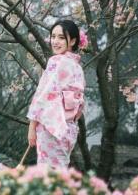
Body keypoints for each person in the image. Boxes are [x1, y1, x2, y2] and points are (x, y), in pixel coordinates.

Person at [26, 19, 87, 168]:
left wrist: (32, 127)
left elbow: (43, 95)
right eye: (53, 36)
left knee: (48, 175)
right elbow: (79, 105)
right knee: (59, 173)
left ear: (72, 41)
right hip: (69, 130)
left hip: (51, 128)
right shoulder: (77, 67)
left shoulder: (57, 62)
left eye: (61, 37)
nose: (55, 41)